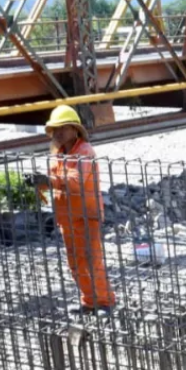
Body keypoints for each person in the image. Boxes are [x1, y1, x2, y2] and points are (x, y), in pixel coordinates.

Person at [30, 105, 115, 316]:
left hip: (87, 216)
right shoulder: (58, 154)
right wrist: (39, 182)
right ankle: (88, 302)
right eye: (55, 129)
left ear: (74, 129)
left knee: (91, 261)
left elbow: (75, 182)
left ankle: (105, 302)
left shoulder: (84, 152)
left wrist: (49, 181)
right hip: (67, 218)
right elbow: (56, 181)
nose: (57, 133)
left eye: (62, 128)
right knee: (75, 264)